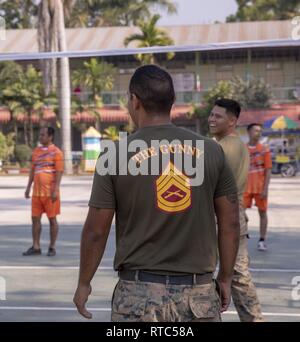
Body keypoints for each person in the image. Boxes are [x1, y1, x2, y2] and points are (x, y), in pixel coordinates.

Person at [73, 65, 240, 322]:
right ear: (172, 101)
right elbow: (230, 222)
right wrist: (226, 278)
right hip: (198, 295)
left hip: (137, 298)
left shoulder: (114, 155)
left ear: (134, 100)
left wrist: (84, 282)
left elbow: (96, 231)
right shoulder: (211, 151)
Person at [208, 99, 263, 322]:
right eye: (211, 114)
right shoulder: (236, 144)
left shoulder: (223, 147)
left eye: (218, 116)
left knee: (231, 275)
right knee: (238, 275)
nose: (211, 119)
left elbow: (208, 184)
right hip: (233, 212)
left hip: (222, 214)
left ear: (232, 121)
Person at [23, 127, 64, 257]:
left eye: (42, 135)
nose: (40, 137)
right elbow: (32, 170)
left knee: (52, 220)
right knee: (35, 219)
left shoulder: (57, 152)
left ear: (50, 137)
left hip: (50, 193)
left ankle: (52, 247)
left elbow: (59, 172)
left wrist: (56, 189)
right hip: (36, 193)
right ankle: (36, 247)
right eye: (40, 135)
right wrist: (28, 187)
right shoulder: (36, 151)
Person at [244, 123, 272, 251]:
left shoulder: (264, 149)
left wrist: (265, 188)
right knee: (240, 214)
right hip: (245, 188)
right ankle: (241, 237)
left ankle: (262, 240)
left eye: (260, 131)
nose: (258, 133)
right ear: (249, 132)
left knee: (262, 213)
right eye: (256, 131)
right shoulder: (242, 149)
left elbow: (268, 170)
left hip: (260, 188)